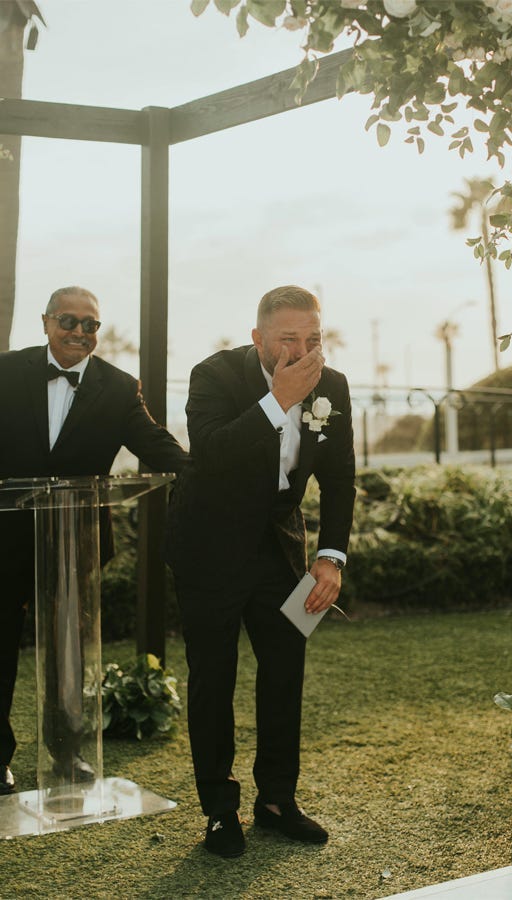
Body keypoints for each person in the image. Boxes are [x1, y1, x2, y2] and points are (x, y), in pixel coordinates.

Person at [166, 285, 355, 858]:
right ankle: (221, 812)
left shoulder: (335, 386)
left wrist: (331, 556)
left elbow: (340, 478)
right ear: (258, 339)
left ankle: (277, 802)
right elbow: (214, 454)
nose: (303, 351)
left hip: (280, 550)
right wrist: (278, 399)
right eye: (288, 339)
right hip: (209, 547)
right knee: (213, 678)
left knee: (284, 673)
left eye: (313, 338)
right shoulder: (213, 376)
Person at [0, 286, 187, 798]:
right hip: (4, 539)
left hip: (73, 542)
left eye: (90, 325)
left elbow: (154, 444)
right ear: (45, 323)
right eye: (69, 321)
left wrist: (206, 473)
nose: (80, 333)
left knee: (68, 651)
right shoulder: (6, 372)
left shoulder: (120, 387)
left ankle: (69, 752)